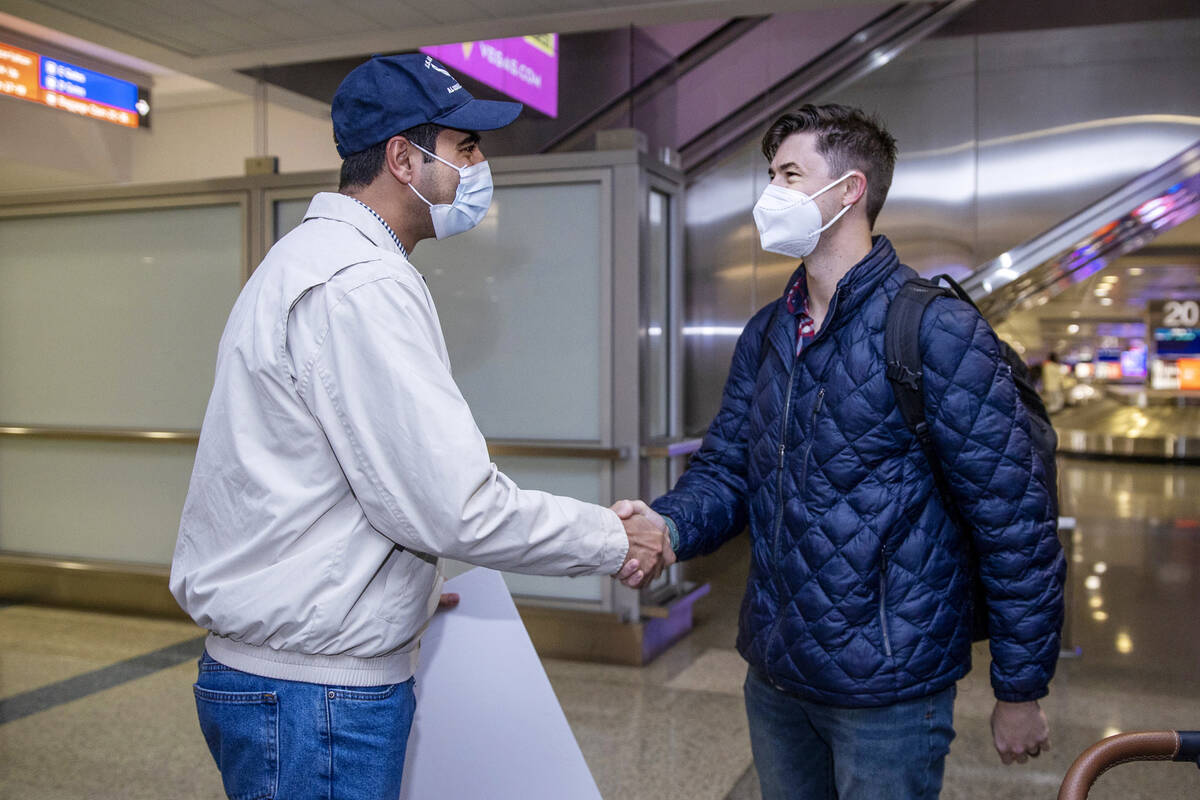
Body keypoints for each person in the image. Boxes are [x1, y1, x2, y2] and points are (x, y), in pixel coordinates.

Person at [169, 53, 670, 800]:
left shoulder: (309, 260)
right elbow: (453, 505)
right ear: (404, 158)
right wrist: (613, 537)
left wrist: (397, 587)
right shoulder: (360, 285)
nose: (479, 165)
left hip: (289, 682)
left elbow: (330, 482)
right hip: (316, 702)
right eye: (465, 147)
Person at [615, 104, 1065, 799]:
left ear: (850, 190)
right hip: (775, 671)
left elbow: (1014, 520)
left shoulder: (935, 329)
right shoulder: (768, 332)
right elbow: (729, 468)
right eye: (770, 176)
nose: (772, 194)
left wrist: (1020, 686)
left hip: (889, 686)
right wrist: (668, 526)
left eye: (790, 174)